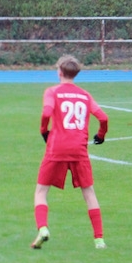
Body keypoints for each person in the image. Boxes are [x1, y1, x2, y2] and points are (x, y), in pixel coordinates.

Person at [31, 55, 109, 250]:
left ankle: (43, 229)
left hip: (57, 147)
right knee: (89, 193)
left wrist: (44, 131)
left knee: (41, 191)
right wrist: (101, 135)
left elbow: (46, 113)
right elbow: (103, 118)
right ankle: (99, 240)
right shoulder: (85, 95)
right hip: (79, 149)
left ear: (59, 72)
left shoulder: (52, 92)